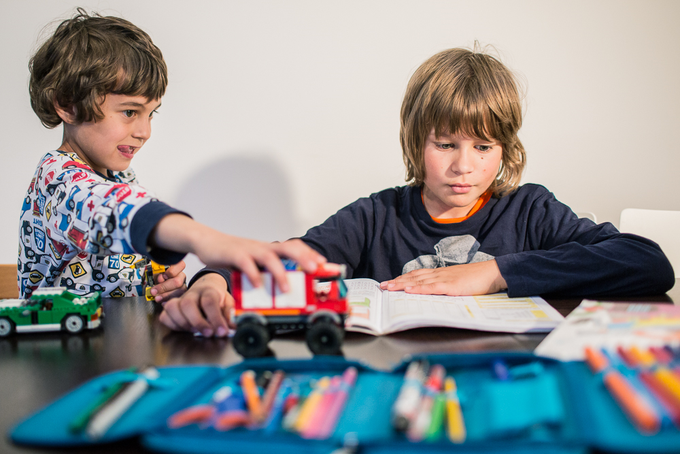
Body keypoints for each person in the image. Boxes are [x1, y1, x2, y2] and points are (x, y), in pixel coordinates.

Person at [164, 46, 675, 336]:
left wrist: (495, 271)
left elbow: (650, 262)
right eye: (446, 144)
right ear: (416, 140)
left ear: (505, 148)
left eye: (483, 146)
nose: (463, 166)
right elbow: (290, 257)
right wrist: (211, 280)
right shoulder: (375, 216)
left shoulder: (530, 209)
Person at [19, 9, 325, 334]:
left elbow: (124, 244)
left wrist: (157, 282)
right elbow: (112, 208)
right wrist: (207, 240)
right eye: (129, 112)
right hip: (63, 362)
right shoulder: (57, 179)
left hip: (116, 351)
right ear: (66, 104)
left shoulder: (119, 176)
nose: (144, 131)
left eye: (151, 114)